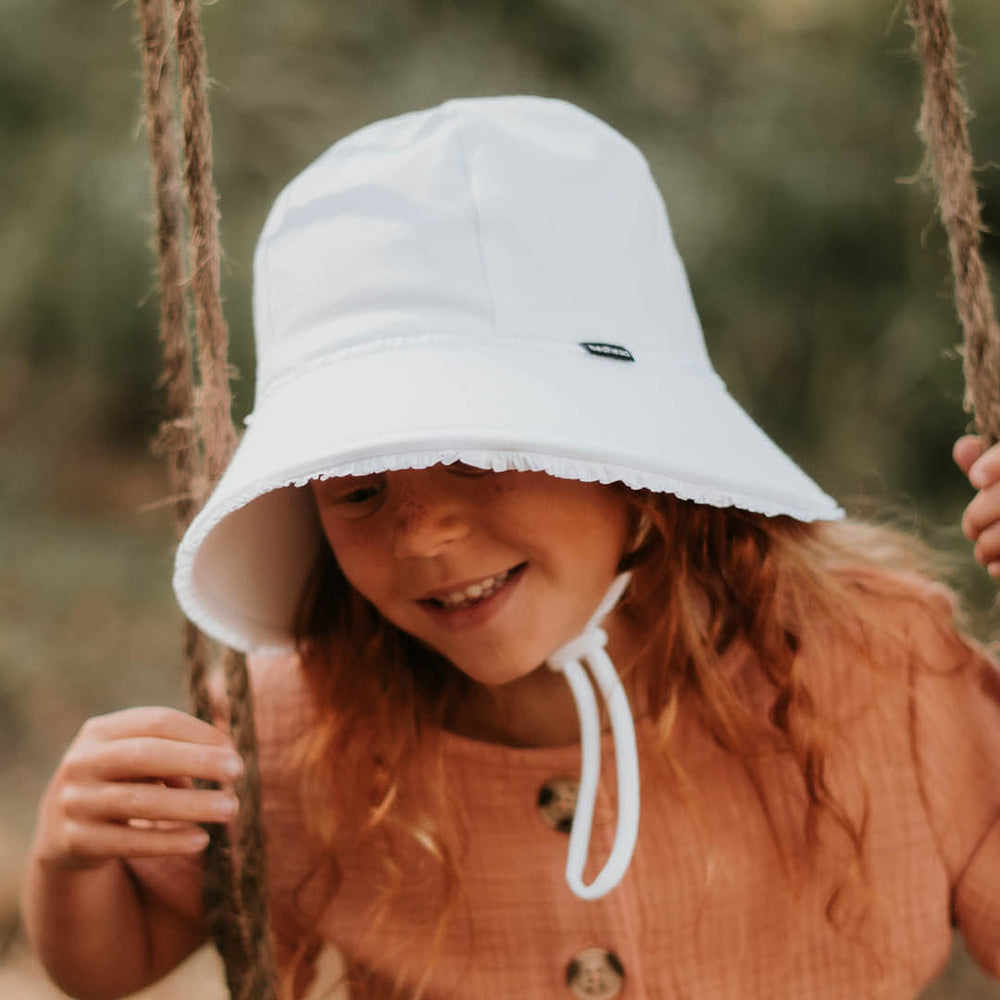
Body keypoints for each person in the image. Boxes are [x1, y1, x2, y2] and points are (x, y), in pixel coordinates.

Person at [21, 96, 1000, 999]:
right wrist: (74, 856)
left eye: (484, 455)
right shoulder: (306, 725)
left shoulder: (881, 670)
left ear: (634, 459)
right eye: (359, 488)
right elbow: (116, 956)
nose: (423, 530)